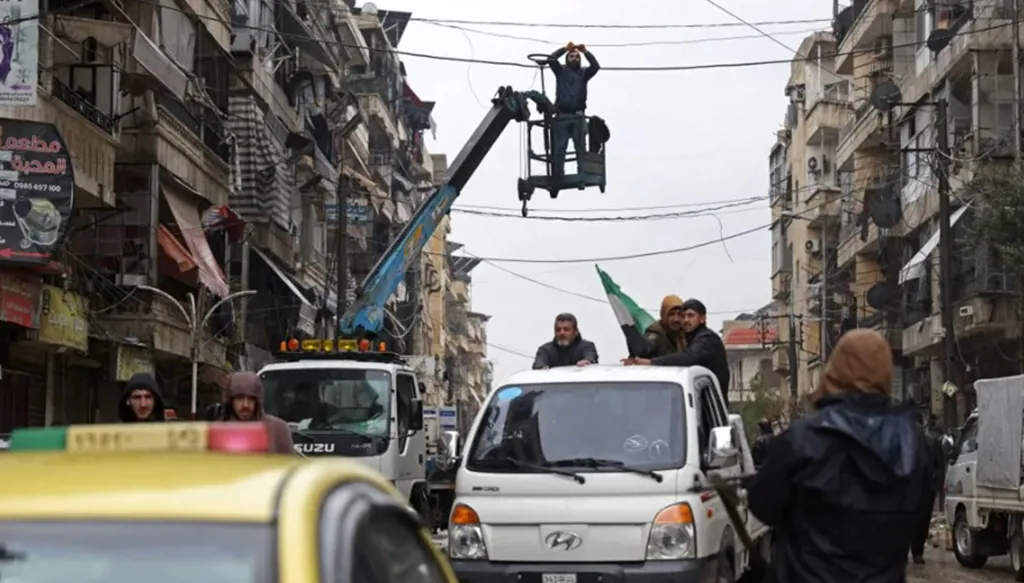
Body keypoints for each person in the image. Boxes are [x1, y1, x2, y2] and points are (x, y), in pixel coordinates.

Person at [747, 329, 929, 583]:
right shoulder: (912, 441)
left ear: (835, 370)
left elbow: (763, 506)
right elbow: (920, 514)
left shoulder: (802, 437)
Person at [623, 299, 730, 407]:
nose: (685, 320)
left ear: (702, 319)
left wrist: (651, 362)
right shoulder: (680, 337)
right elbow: (645, 348)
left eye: (691, 316)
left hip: (712, 409)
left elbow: (689, 357)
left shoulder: (707, 339)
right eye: (683, 316)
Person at [546, 41, 600, 196]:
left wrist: (586, 52)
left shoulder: (584, 73)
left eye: (577, 56)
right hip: (562, 116)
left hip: (578, 116)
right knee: (559, 149)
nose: (574, 58)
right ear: (567, 59)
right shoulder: (561, 71)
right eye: (572, 56)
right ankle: (558, 178)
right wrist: (564, 49)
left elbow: (596, 66)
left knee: (580, 148)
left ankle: (581, 175)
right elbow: (551, 59)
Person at [220, 371, 295, 454]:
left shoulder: (278, 429)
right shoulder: (218, 433)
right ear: (231, 400)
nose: (246, 405)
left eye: (251, 398)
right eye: (240, 398)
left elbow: (290, 464)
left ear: (257, 400)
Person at [910, 413, 947, 564]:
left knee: (922, 521)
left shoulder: (931, 443)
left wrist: (935, 484)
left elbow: (940, 466)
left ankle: (917, 551)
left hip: (925, 491)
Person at [533, 313, 599, 369]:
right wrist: (541, 367)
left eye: (566, 329)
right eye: (558, 330)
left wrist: (587, 362)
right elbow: (539, 364)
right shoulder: (545, 350)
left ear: (576, 331)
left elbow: (590, 358)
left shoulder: (587, 347)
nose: (562, 333)